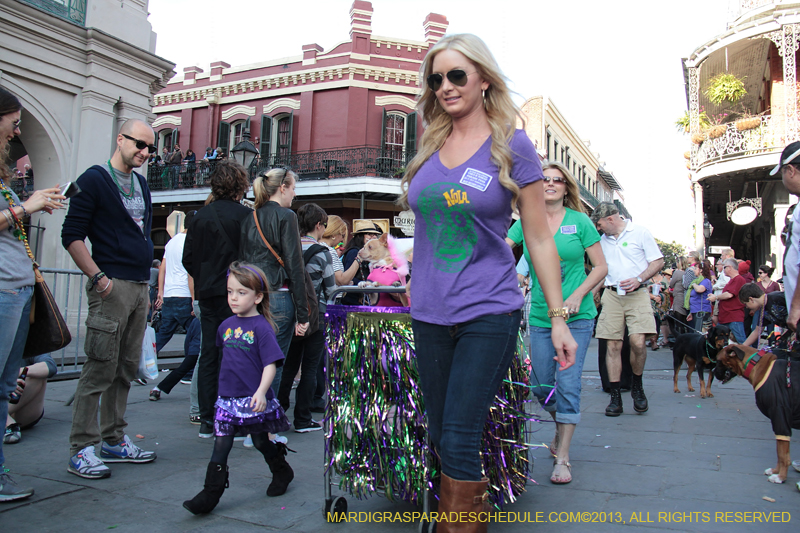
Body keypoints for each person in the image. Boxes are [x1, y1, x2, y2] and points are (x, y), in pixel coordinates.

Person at [398, 34, 577, 529]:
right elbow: (435, 228)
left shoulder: (511, 143)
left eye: (457, 75)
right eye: (436, 79)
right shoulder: (430, 143)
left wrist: (558, 317)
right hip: (429, 312)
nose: (446, 87)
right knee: (439, 432)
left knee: (458, 430)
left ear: (483, 79)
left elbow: (539, 239)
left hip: (489, 309)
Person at [62, 118, 158, 479]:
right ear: (120, 140)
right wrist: (99, 278)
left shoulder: (141, 185)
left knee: (125, 368)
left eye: (150, 148)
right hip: (112, 286)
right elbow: (72, 235)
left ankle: (114, 439)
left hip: (137, 286)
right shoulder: (94, 179)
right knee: (100, 366)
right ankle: (81, 447)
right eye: (139, 144)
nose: (145, 152)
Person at [505, 160, 606, 485]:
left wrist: (578, 295)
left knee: (568, 384)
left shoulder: (580, 222)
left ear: (566, 187)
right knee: (541, 386)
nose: (550, 183)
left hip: (577, 317)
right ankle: (562, 427)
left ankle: (563, 457)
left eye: (557, 180)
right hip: (540, 317)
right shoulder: (525, 223)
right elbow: (500, 250)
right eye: (544, 179)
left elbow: (601, 267)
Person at [183, 262, 292, 515]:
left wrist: (261, 392)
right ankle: (211, 493)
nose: (233, 298)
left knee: (260, 441)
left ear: (258, 297)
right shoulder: (225, 326)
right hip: (226, 401)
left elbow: (271, 365)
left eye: (241, 292)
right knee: (221, 445)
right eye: (230, 291)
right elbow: (226, 360)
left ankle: (281, 470)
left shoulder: (262, 329)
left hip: (253, 400)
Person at [0, 87, 65, 501]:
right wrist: (28, 206)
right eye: (13, 121)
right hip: (4, 291)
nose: (17, 130)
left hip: (17, 291)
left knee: (5, 386)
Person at [183, 161, 252, 439]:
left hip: (209, 293)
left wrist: (205, 278)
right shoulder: (246, 217)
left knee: (210, 355)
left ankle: (207, 419)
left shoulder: (200, 216)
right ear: (240, 185)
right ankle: (231, 416)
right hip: (237, 293)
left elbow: (189, 258)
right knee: (235, 354)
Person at [239, 168, 310, 401]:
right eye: (292, 189)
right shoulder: (286, 216)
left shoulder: (250, 216)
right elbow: (295, 266)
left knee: (252, 361)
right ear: (282, 188)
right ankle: (263, 426)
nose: (294, 194)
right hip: (278, 296)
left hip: (253, 295)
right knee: (273, 364)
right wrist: (303, 313)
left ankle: (249, 419)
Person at [592, 202, 664, 417]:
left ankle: (637, 386)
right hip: (612, 294)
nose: (599, 228)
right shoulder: (602, 242)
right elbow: (601, 270)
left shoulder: (640, 233)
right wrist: (593, 291)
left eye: (600, 223)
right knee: (612, 344)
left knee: (638, 342)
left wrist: (639, 278)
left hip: (637, 293)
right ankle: (615, 396)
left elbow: (658, 261)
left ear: (611, 219)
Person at [277, 203, 334, 433]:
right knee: (310, 368)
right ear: (318, 225)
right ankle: (302, 418)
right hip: (315, 314)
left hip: (289, 311)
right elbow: (330, 290)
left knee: (288, 366)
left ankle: (279, 412)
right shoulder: (322, 253)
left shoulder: (287, 247)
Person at [150, 211, 201, 401]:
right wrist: (195, 299)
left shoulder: (172, 241)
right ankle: (188, 373)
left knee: (163, 334)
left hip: (171, 294)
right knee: (195, 333)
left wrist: (161, 292)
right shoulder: (191, 242)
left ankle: (140, 365)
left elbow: (163, 267)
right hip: (184, 294)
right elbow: (190, 273)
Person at [4, 354, 57, 445]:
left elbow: (50, 366)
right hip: (4, 400)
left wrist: (14, 374)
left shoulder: (28, 344)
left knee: (37, 375)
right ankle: (7, 421)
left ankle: (5, 418)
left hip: (21, 409)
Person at [340, 223, 381, 305]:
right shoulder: (354, 252)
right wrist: (364, 286)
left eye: (375, 234)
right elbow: (348, 277)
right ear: (359, 236)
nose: (373, 237)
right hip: (352, 302)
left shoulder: (368, 255)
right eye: (369, 234)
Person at [707, 258, 747, 343]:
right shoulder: (732, 280)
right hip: (725, 316)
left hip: (734, 316)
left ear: (730, 267)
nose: (723, 269)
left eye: (724, 267)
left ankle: (750, 356)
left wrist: (716, 297)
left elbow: (729, 294)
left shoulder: (739, 279)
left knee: (742, 342)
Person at [739, 283, 787, 347]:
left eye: (746, 304)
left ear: (751, 299)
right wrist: (742, 347)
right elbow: (757, 331)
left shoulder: (777, 297)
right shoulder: (762, 311)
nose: (747, 307)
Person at [686, 260, 713, 332]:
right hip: (695, 311)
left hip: (702, 312)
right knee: (696, 332)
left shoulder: (705, 281)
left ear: (701, 270)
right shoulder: (697, 281)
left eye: (695, 268)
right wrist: (691, 312)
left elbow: (699, 290)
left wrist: (694, 285)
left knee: (701, 333)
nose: (694, 270)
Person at [669, 257, 689, 337]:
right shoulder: (688, 272)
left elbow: (671, 284)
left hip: (678, 297)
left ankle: (680, 338)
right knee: (685, 321)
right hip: (685, 297)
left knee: (679, 321)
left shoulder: (677, 273)